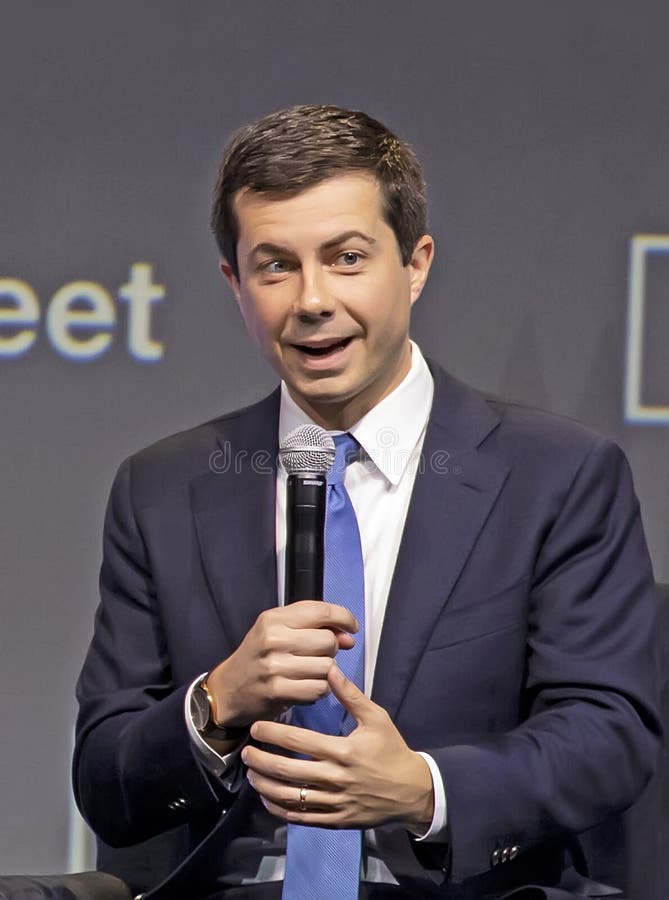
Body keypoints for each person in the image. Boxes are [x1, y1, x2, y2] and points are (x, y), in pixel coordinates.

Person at [73, 105, 660, 900]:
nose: (312, 300)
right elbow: (105, 779)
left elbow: (607, 735)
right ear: (234, 283)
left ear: (415, 263)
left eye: (346, 258)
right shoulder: (164, 487)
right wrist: (216, 703)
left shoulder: (554, 475)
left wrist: (423, 789)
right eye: (275, 266)